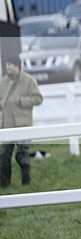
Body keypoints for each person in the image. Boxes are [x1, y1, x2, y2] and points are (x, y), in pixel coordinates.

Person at [0, 55, 44, 188]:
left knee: (22, 156)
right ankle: (4, 186)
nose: (8, 67)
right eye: (7, 65)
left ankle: (26, 184)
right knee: (3, 158)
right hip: (6, 126)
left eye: (11, 65)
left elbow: (38, 98)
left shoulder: (28, 81)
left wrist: (21, 101)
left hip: (23, 125)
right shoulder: (3, 82)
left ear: (18, 66)